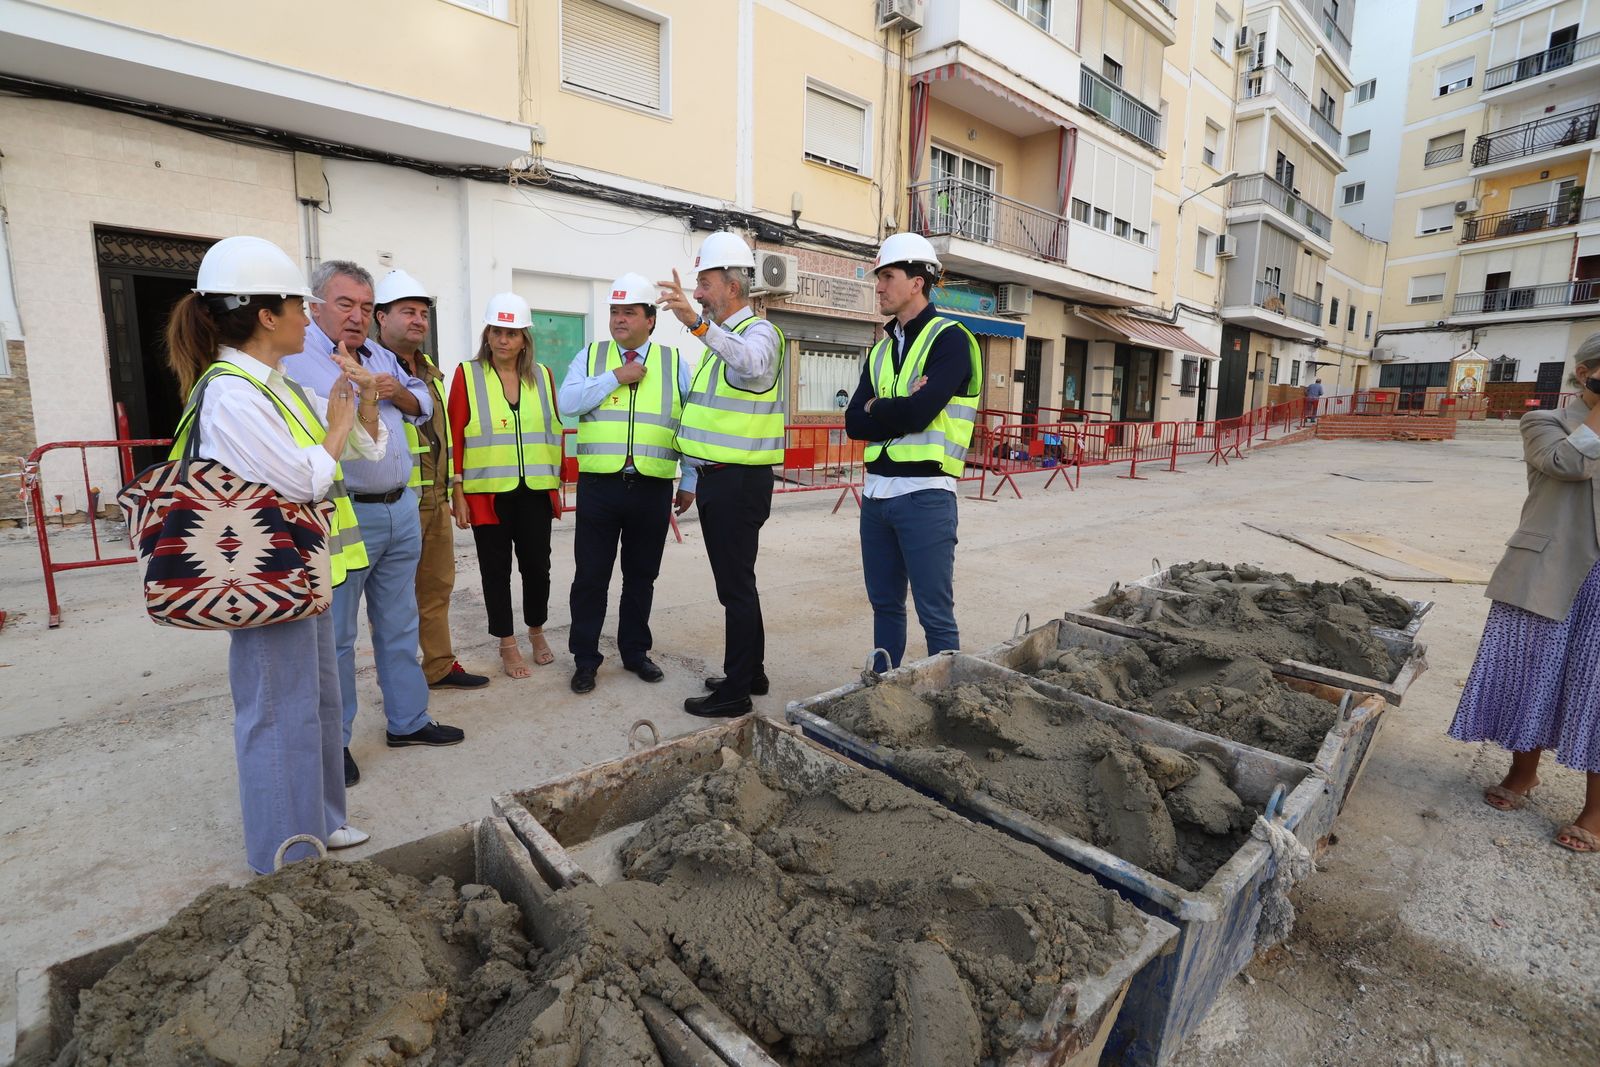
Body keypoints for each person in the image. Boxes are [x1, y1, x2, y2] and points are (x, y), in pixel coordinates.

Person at [162, 236, 376, 873]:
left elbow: (358, 444)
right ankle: (283, 855)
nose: (308, 315)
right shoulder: (232, 394)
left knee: (317, 703)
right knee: (276, 714)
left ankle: (321, 822)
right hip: (261, 580)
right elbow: (307, 477)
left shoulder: (274, 383)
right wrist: (338, 428)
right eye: (297, 304)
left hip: (302, 574)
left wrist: (358, 401)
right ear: (264, 314)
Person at [283, 261, 465, 789]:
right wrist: (364, 389)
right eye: (346, 305)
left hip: (401, 504)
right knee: (337, 637)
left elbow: (424, 402)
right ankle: (332, 743)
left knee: (400, 621)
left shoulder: (382, 356)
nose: (357, 316)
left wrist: (390, 391)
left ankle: (408, 722)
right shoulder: (300, 358)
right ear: (315, 306)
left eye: (365, 306)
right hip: (345, 510)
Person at [1450, 333, 1600, 853]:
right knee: (1530, 671)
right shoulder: (1545, 423)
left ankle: (1595, 810)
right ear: (1587, 374)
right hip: (1548, 568)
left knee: (1596, 689)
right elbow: (1569, 465)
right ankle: (1523, 774)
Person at [658, 231, 787, 717]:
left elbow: (751, 362)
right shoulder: (722, 342)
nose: (697, 294)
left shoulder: (760, 334)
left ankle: (735, 693)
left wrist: (696, 326)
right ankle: (749, 673)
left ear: (733, 286)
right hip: (719, 481)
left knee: (736, 589)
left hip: (738, 482)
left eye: (705, 282)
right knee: (738, 585)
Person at [844, 232, 981, 672]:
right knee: (885, 606)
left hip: (926, 494)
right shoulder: (882, 350)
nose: (878, 286)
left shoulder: (951, 339)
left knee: (935, 615)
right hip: (877, 496)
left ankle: (946, 703)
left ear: (917, 282)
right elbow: (852, 422)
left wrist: (877, 407)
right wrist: (894, 408)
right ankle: (885, 689)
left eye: (887, 276)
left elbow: (920, 414)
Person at [560, 273, 689, 694]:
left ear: (650, 319)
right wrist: (616, 376)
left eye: (628, 312)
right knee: (591, 577)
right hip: (599, 485)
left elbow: (689, 424)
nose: (618, 319)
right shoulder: (593, 357)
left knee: (641, 576)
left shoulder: (673, 363)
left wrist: (690, 479)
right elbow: (568, 403)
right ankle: (585, 658)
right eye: (614, 311)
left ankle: (635, 652)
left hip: (652, 486)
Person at [373, 269, 489, 693]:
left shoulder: (429, 374)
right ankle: (400, 686)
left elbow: (444, 439)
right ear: (381, 317)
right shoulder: (367, 366)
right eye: (408, 312)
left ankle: (439, 666)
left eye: (423, 313)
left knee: (437, 588)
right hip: (392, 502)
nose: (419, 320)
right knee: (393, 602)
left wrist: (453, 489)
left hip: (433, 500)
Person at [449, 293, 563, 678]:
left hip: (534, 491)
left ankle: (536, 631)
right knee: (494, 571)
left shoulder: (543, 376)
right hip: (488, 494)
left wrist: (556, 486)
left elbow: (553, 432)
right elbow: (455, 437)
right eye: (497, 331)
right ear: (487, 334)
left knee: (537, 568)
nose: (503, 340)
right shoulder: (467, 374)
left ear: (524, 339)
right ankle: (507, 643)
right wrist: (458, 489)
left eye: (511, 333)